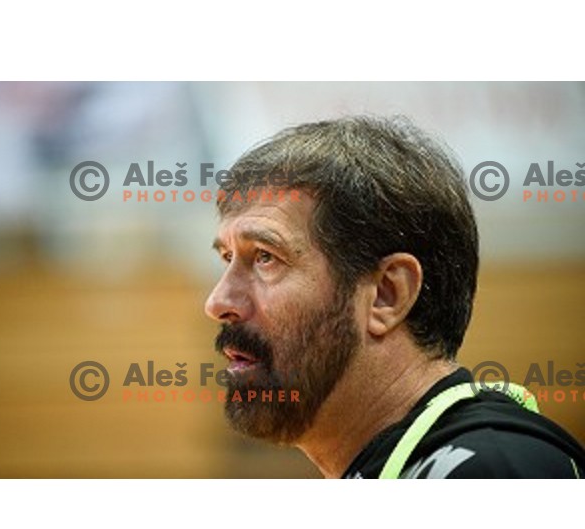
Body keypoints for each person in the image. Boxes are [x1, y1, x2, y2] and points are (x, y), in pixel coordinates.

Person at [204, 116, 585, 479]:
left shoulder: (489, 469)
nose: (218, 302)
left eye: (266, 257)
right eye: (227, 258)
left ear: (387, 295)